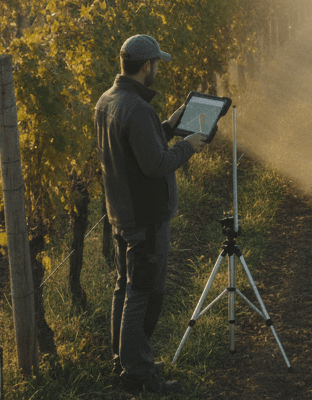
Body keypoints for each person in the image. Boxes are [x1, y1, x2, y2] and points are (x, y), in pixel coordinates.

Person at [95, 34, 208, 396]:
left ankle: (125, 358)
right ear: (146, 66)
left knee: (124, 288)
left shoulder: (109, 100)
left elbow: (137, 145)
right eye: (157, 63)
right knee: (142, 292)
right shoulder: (138, 108)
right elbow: (156, 163)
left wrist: (171, 125)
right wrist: (187, 146)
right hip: (145, 216)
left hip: (121, 212)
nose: (157, 68)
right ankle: (138, 373)